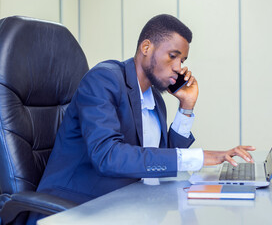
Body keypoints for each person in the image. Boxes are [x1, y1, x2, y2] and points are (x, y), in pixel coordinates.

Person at [27, 14, 255, 223]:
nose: (179, 68)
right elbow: (108, 156)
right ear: (146, 47)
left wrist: (186, 106)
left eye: (182, 60)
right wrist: (199, 157)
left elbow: (160, 160)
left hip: (128, 205)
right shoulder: (103, 80)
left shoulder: (155, 99)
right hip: (74, 208)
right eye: (172, 56)